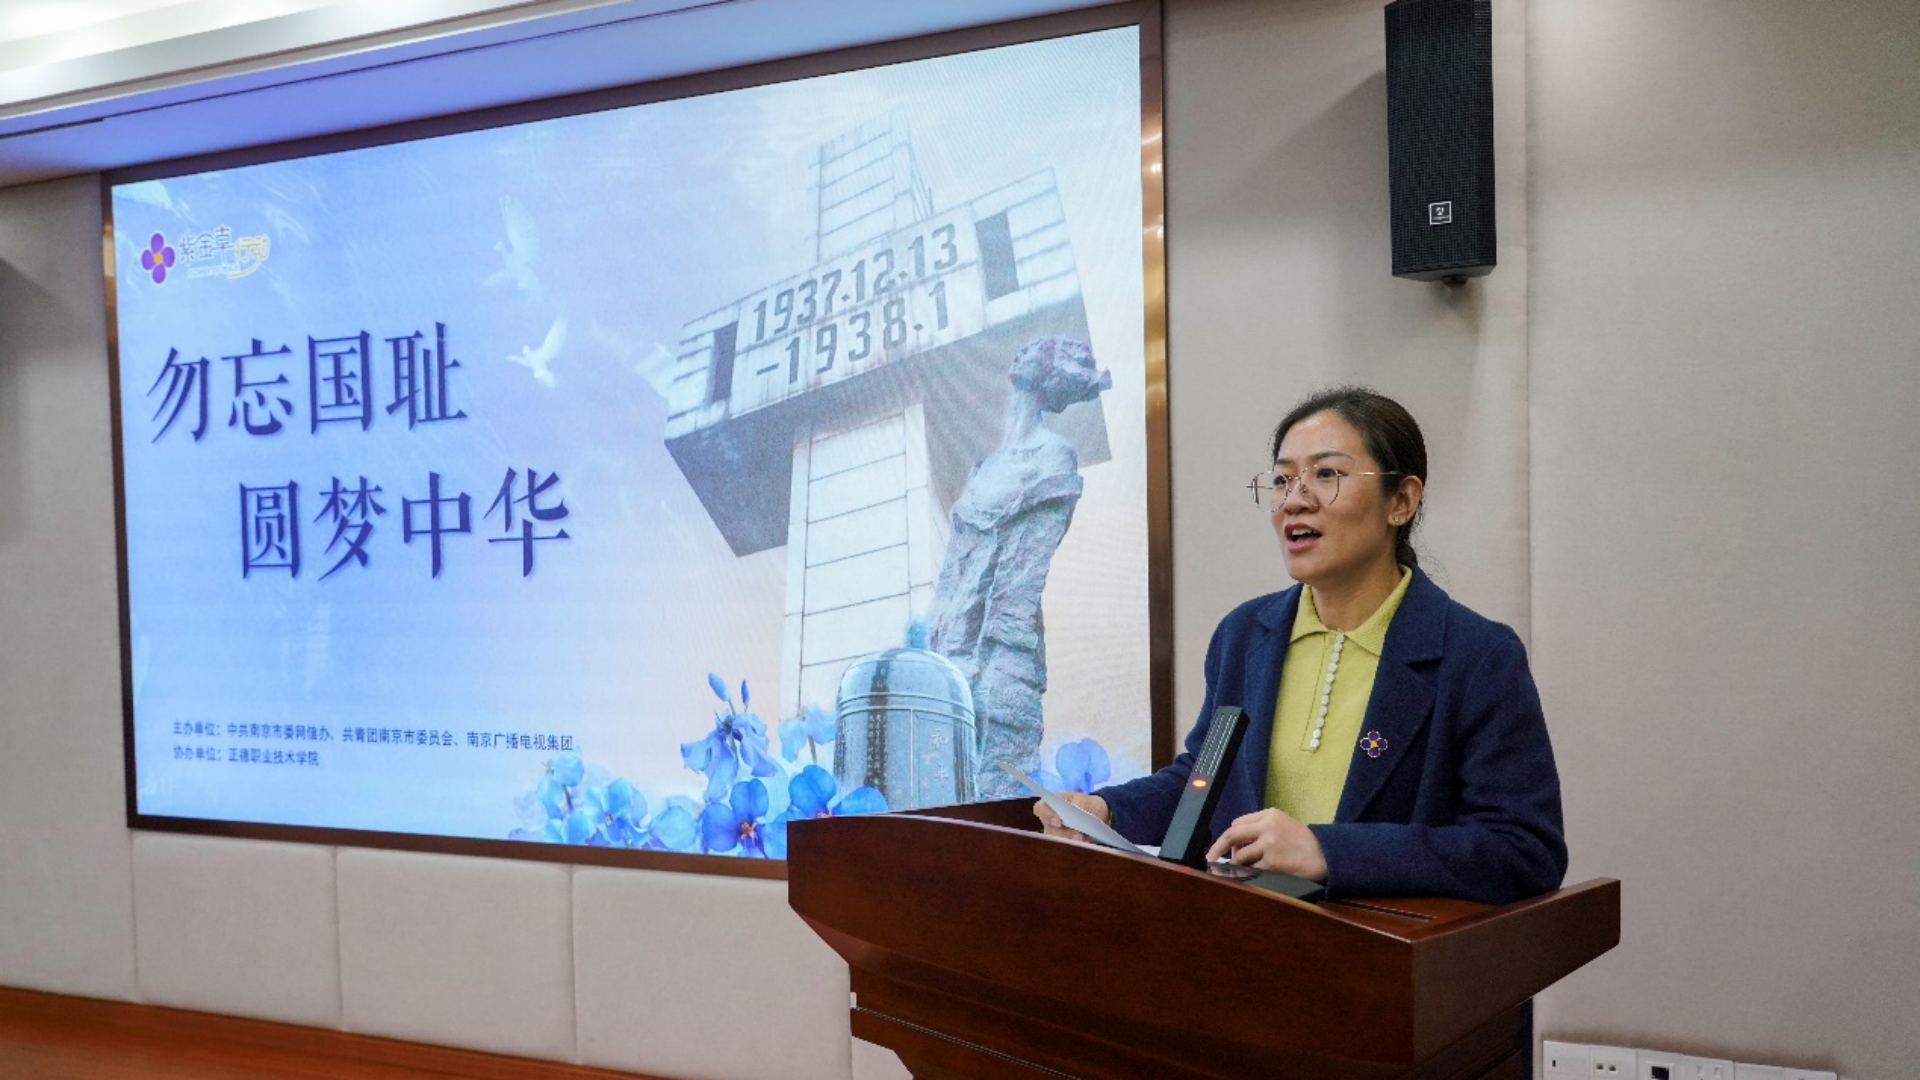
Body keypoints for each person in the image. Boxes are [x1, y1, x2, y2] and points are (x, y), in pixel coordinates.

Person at [1034, 386, 1566, 906]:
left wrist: (1328, 852)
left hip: (1386, 953)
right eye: (1282, 480)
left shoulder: (1476, 656)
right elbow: (1202, 784)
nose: (1293, 500)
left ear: (1401, 501)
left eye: (1327, 474)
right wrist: (1106, 812)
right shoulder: (1244, 634)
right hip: (1252, 944)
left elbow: (1524, 849)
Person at [930, 335, 1112, 798]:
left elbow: (1025, 570)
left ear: (1051, 373)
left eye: (1039, 350)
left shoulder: (1054, 456)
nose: (1023, 352)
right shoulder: (983, 467)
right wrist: (940, 645)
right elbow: (953, 571)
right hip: (952, 645)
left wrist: (985, 662)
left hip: (1002, 649)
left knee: (995, 783)